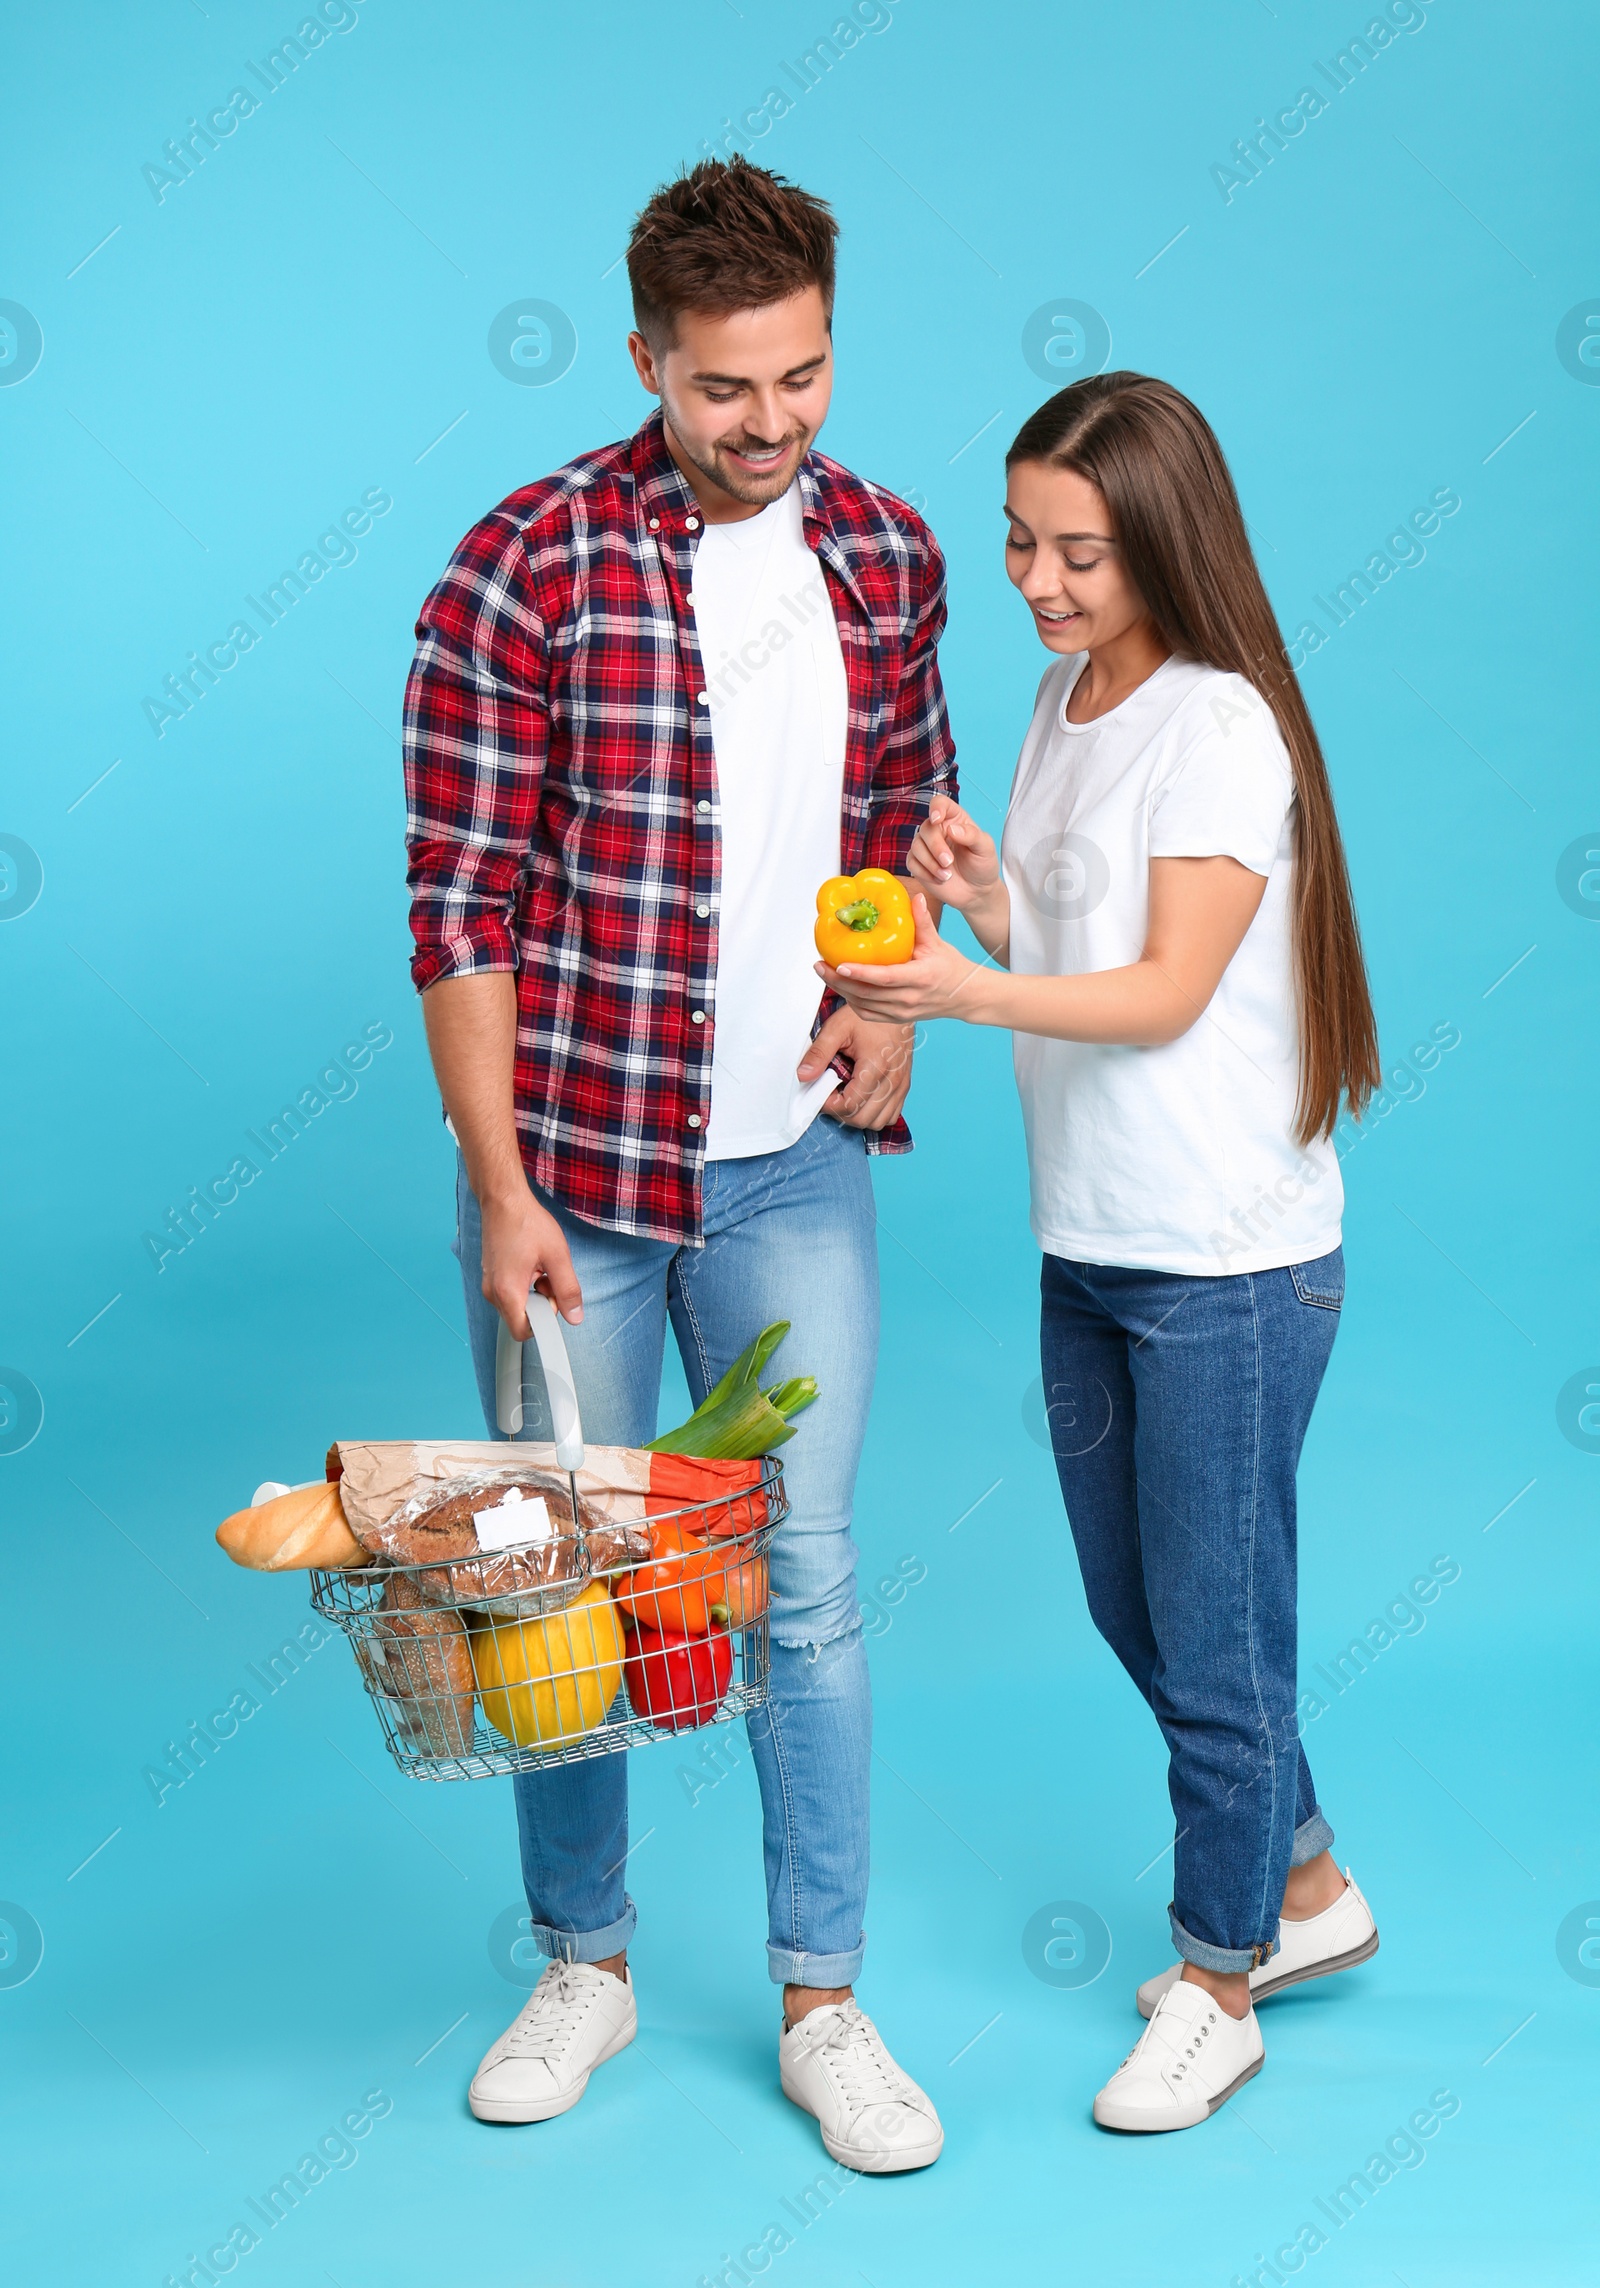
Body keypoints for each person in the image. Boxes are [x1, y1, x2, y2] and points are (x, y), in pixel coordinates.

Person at [402, 158, 952, 2172]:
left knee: (798, 1582)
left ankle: (823, 1998)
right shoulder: (523, 564)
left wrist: (885, 997)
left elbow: (898, 798)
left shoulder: (886, 552)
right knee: (561, 1586)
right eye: (726, 388)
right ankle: (587, 1962)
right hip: (578, 1176)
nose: (771, 422)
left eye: (801, 374)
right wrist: (500, 1185)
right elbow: (457, 902)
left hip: (796, 1165)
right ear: (647, 361)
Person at [821, 372, 1383, 2133]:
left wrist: (960, 982)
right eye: (1019, 541)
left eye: (1079, 551)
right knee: (1135, 1607)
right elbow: (1087, 938)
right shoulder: (1072, 697)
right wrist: (994, 894)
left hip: (1227, 1260)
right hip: (1097, 1239)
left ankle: (1223, 1979)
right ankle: (1302, 1887)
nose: (1036, 581)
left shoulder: (1224, 724)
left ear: (1165, 542)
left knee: (1216, 1644)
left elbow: (1160, 991)